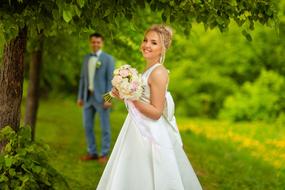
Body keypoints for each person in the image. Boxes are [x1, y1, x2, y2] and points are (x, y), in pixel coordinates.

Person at [96, 25, 203, 189]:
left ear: (163, 49)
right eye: (145, 40)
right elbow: (140, 97)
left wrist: (129, 97)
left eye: (154, 43)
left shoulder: (159, 72)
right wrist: (121, 93)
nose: (147, 45)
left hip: (148, 133)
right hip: (136, 126)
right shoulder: (148, 69)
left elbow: (156, 112)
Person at [77, 33, 115, 163]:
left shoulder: (108, 59)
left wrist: (108, 98)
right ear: (90, 43)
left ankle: (104, 154)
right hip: (88, 98)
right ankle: (92, 152)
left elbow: (111, 80)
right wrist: (80, 96)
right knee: (87, 126)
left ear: (102, 43)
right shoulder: (86, 58)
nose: (95, 44)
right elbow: (82, 78)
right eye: (93, 42)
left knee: (105, 127)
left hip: (102, 99)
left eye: (98, 42)